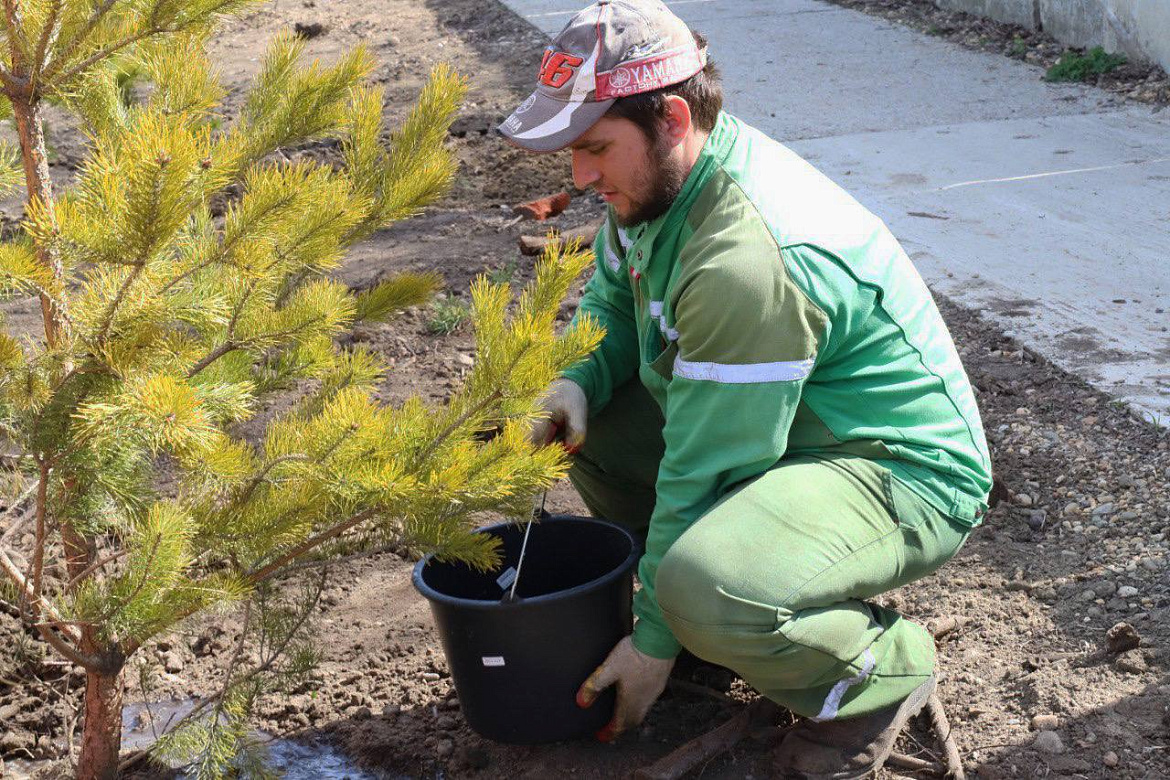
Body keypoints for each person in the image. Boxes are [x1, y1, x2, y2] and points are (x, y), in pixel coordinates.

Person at [499, 1, 992, 776]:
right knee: (588, 428)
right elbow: (615, 299)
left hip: (896, 469)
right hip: (788, 430)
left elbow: (709, 467)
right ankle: (715, 619)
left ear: (669, 116)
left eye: (594, 148)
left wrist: (655, 637)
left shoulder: (743, 260)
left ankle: (873, 675)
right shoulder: (661, 181)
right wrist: (576, 376)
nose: (580, 176)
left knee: (705, 581)